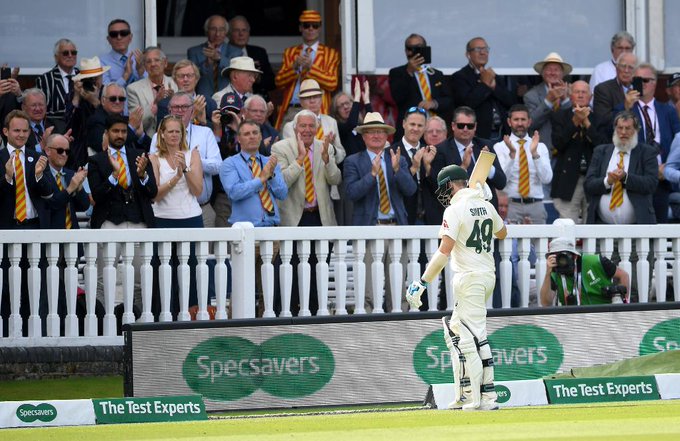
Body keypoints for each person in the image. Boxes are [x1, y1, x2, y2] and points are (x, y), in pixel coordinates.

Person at [406, 164, 507, 411]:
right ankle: (463, 393)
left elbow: (444, 252)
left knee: (474, 336)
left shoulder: (454, 209)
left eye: (444, 188)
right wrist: (487, 201)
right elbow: (502, 233)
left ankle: (486, 399)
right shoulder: (486, 205)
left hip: (469, 278)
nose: (443, 193)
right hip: (486, 277)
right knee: (455, 333)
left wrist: (422, 282)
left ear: (451, 184)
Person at [271, 109, 342, 316]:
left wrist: (327, 160)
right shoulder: (280, 148)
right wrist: (300, 159)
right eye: (303, 125)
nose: (307, 130)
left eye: (311, 126)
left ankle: (314, 314)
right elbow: (282, 182)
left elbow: (336, 180)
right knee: (289, 271)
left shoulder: (324, 147)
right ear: (295, 128)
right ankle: (288, 315)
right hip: (294, 218)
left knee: (317, 270)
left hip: (320, 218)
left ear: (317, 128)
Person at [87, 114, 157, 308]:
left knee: (140, 278)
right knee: (102, 277)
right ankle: (101, 322)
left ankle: (141, 322)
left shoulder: (139, 156)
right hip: (109, 221)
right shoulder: (96, 161)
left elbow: (153, 191)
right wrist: (115, 175)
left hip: (138, 221)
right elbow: (97, 195)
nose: (120, 135)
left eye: (123, 131)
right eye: (115, 131)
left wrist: (142, 176)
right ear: (107, 133)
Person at [0, 110, 52, 337]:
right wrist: (8, 178)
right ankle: (5, 335)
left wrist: (39, 175)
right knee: (6, 287)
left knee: (35, 286)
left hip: (33, 228)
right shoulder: (1, 158)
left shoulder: (36, 157)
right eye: (16, 130)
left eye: (25, 130)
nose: (21, 135)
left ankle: (35, 335)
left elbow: (49, 192)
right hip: (7, 228)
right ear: (5, 132)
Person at [149, 115, 203, 315]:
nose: (174, 135)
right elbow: (154, 195)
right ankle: (163, 316)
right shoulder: (154, 158)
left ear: (183, 134)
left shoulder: (192, 155)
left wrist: (186, 170)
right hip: (162, 219)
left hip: (190, 219)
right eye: (170, 131)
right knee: (163, 271)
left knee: (190, 271)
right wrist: (175, 177)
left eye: (177, 131)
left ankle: (191, 315)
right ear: (161, 134)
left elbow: (198, 191)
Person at [617, 63, 680, 223]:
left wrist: (668, 166)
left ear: (655, 83)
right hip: (637, 176)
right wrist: (627, 108)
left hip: (661, 178)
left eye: (645, 80)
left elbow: (677, 140)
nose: (641, 84)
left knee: (660, 225)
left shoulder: (667, 110)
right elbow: (617, 135)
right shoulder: (624, 108)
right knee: (638, 225)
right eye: (637, 80)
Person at [150, 92, 222, 228]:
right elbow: (156, 171)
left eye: (184, 106)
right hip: (164, 211)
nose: (180, 110)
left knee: (202, 250)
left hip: (200, 208)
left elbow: (218, 166)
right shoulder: (157, 137)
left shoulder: (205, 132)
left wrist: (193, 163)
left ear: (192, 110)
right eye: (176, 107)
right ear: (169, 110)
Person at [427, 106, 506, 224]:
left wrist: (486, 164)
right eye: (461, 125)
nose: (465, 129)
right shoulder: (441, 150)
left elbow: (501, 183)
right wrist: (463, 166)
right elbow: (440, 190)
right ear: (453, 126)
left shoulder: (485, 146)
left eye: (470, 126)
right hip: (457, 219)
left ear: (475, 127)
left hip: (484, 216)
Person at [584, 110, 658, 224]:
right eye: (620, 128)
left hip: (637, 228)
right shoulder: (601, 151)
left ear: (636, 130)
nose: (623, 132)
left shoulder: (647, 152)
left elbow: (651, 183)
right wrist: (607, 181)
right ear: (615, 129)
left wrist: (625, 178)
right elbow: (588, 184)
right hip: (602, 226)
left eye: (628, 128)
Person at [344, 112, 417, 226]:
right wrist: (372, 174)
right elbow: (351, 193)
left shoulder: (398, 159)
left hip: (396, 226)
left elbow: (410, 190)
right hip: (368, 229)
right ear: (363, 136)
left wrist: (397, 169)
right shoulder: (352, 161)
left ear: (386, 136)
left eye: (380, 131)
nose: (376, 136)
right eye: (371, 132)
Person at [550, 81, 608, 223]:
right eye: (577, 92)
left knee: (592, 225)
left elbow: (604, 147)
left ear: (590, 96)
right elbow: (558, 143)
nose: (581, 95)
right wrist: (575, 121)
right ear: (570, 96)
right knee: (567, 225)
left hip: (593, 178)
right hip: (567, 178)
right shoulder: (560, 116)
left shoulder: (600, 118)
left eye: (584, 92)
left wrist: (587, 123)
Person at [274, 10, 340, 130]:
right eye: (306, 25)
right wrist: (294, 68)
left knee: (317, 146)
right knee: (286, 145)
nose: (310, 29)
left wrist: (311, 69)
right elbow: (279, 81)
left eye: (314, 26)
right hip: (293, 109)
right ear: (300, 28)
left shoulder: (330, 54)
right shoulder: (290, 52)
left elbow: (332, 83)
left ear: (319, 28)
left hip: (319, 110)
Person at [494, 104, 552, 224]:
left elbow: (547, 179)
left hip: (536, 204)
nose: (520, 123)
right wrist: (512, 155)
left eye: (523, 119)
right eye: (516, 119)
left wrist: (535, 154)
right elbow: (501, 181)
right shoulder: (500, 147)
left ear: (529, 122)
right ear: (509, 122)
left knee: (538, 242)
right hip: (510, 205)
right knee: (510, 243)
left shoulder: (540, 147)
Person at [388, 33, 452, 141]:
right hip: (412, 130)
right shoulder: (397, 73)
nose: (412, 52)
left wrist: (434, 103)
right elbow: (398, 97)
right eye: (409, 48)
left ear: (425, 49)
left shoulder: (436, 74)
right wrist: (409, 72)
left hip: (434, 131)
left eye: (417, 48)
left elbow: (449, 100)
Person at [450, 37, 515, 142]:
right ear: (468, 54)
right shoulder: (460, 77)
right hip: (479, 135)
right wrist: (484, 84)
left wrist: (494, 87)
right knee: (484, 159)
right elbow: (467, 104)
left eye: (485, 50)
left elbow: (510, 102)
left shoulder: (494, 76)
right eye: (478, 49)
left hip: (502, 134)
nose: (483, 53)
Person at [540, 237, 630, 306]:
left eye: (564, 256)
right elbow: (545, 303)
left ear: (574, 256)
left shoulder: (596, 261)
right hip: (574, 319)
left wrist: (623, 303)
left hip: (604, 312)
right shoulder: (554, 273)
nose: (562, 261)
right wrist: (548, 272)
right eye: (557, 257)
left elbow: (624, 276)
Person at [281, 79, 346, 164]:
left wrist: (331, 148)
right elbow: (290, 157)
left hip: (327, 174)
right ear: (301, 102)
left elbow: (341, 155)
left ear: (321, 99)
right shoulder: (290, 127)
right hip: (303, 174)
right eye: (308, 97)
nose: (312, 101)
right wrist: (320, 145)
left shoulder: (331, 122)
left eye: (315, 96)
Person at [523, 52, 572, 151]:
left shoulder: (572, 92)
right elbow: (530, 123)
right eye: (549, 69)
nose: (552, 73)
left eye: (556, 70)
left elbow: (575, 121)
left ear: (562, 74)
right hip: (542, 150)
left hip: (567, 150)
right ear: (542, 73)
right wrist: (548, 101)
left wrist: (565, 100)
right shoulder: (531, 95)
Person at [127, 47, 178, 137]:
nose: (153, 64)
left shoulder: (175, 84)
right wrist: (155, 103)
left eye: (157, 60)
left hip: (173, 137)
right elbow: (135, 123)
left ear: (165, 63)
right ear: (145, 67)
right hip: (147, 141)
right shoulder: (133, 89)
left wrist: (174, 101)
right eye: (148, 62)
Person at [187, 15, 242, 99]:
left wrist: (219, 58)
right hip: (203, 99)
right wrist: (206, 63)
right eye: (213, 29)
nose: (217, 34)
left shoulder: (236, 52)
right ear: (206, 31)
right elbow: (191, 77)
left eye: (221, 29)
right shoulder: (194, 51)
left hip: (228, 99)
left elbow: (236, 72)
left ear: (226, 32)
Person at [42, 133, 89, 229]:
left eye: (67, 151)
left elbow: (84, 206)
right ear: (48, 151)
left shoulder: (71, 174)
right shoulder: (41, 174)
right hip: (51, 236)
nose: (64, 154)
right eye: (60, 150)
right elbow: (51, 205)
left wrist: (79, 187)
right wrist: (70, 188)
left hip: (73, 234)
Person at [391, 106, 427, 225]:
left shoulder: (430, 151)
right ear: (403, 124)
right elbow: (393, 186)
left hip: (428, 219)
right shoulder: (391, 152)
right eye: (412, 124)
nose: (415, 129)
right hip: (403, 218)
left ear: (425, 127)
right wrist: (414, 168)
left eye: (420, 125)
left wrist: (427, 166)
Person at [226, 15, 276, 100]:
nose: (241, 34)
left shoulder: (259, 52)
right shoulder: (223, 53)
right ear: (228, 34)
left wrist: (257, 78)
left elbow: (272, 83)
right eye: (236, 30)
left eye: (244, 30)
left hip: (258, 100)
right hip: (231, 100)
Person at [156, 59, 217, 127]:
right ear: (175, 80)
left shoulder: (208, 103)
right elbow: (161, 132)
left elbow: (216, 133)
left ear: (196, 79)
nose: (185, 79)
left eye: (189, 75)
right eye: (181, 76)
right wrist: (193, 116)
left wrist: (203, 122)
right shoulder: (164, 104)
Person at [35, 38, 80, 121]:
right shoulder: (45, 80)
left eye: (73, 53)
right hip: (57, 128)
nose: (70, 55)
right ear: (56, 57)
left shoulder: (84, 76)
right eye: (65, 53)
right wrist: (71, 109)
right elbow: (43, 111)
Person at [593, 52, 637, 129]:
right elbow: (601, 122)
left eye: (630, 67)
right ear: (616, 69)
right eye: (623, 66)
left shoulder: (641, 89)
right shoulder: (603, 89)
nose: (626, 70)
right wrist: (625, 107)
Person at [100, 18, 145, 88]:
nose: (119, 37)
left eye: (123, 33)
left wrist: (140, 72)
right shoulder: (101, 62)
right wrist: (126, 75)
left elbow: (150, 89)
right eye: (114, 34)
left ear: (130, 38)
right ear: (108, 40)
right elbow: (105, 93)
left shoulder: (139, 58)